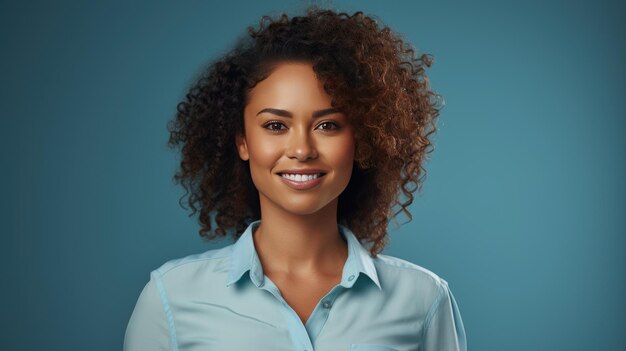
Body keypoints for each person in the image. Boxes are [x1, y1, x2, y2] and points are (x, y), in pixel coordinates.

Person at [124, 5, 466, 351]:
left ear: (361, 139)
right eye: (276, 126)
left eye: (327, 125)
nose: (301, 149)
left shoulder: (424, 300)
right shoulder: (171, 297)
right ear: (242, 141)